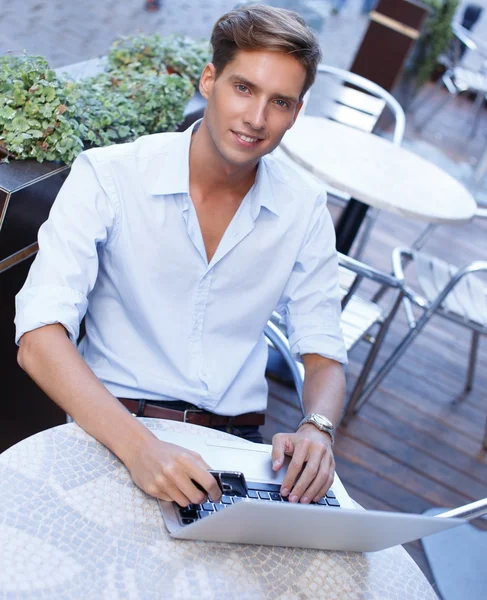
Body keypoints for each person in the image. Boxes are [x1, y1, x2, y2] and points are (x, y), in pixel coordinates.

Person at [15, 4, 347, 510]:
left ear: (297, 112)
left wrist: (316, 428)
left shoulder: (304, 207)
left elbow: (323, 355)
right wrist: (139, 447)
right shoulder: (110, 175)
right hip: (115, 428)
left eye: (279, 102)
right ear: (209, 79)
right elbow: (38, 339)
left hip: (239, 451)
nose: (257, 119)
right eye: (243, 88)